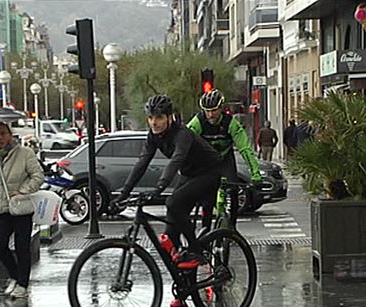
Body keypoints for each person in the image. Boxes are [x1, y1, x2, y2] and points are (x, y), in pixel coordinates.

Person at [111, 95, 222, 270]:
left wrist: (160, 187)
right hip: (189, 173)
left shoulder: (182, 134)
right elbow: (142, 163)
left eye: (159, 118)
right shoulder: (154, 136)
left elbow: (176, 160)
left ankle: (197, 252)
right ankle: (184, 288)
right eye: (150, 118)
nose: (154, 123)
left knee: (173, 202)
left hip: (209, 172)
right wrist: (123, 194)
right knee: (170, 236)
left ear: (170, 118)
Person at [0, 123, 44, 299]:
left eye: (3, 134)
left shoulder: (25, 154)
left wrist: (23, 191)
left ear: (10, 134)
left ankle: (23, 283)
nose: (0, 138)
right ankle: (15, 275)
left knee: (22, 246)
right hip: (1, 207)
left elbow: (38, 176)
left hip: (21, 206)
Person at [186, 89, 262, 229]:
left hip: (225, 160)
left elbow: (245, 149)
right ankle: (206, 228)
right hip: (206, 162)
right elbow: (185, 143)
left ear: (221, 108)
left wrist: (255, 173)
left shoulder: (230, 123)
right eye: (207, 111)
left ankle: (232, 227)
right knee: (207, 198)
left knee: (233, 190)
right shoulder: (198, 121)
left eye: (214, 110)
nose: (210, 114)